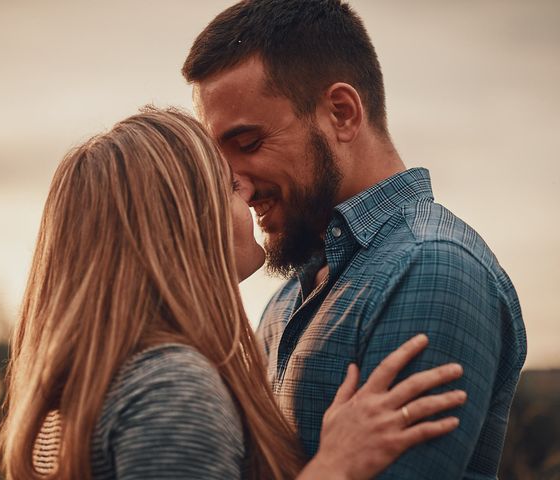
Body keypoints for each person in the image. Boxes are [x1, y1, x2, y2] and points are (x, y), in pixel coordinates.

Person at [0, 107, 467, 480]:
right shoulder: (171, 388)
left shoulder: (93, 381)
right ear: (181, 221)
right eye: (227, 186)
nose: (247, 198)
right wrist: (334, 468)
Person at [183, 0, 527, 478]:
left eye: (248, 144)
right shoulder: (286, 300)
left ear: (341, 113)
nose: (234, 183)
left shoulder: (431, 269)